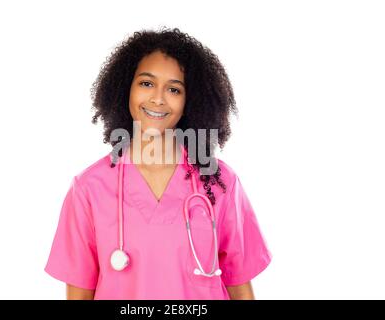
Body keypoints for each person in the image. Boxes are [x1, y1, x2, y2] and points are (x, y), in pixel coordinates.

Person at [45, 27, 271, 300]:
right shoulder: (89, 189)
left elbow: (240, 287)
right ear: (124, 87)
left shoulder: (219, 183)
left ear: (191, 100)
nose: (158, 98)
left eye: (174, 89)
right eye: (146, 83)